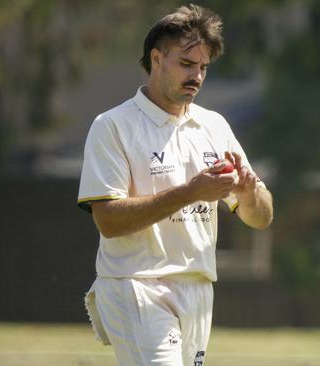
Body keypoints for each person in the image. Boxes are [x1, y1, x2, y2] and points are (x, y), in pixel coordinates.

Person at [77, 4, 273, 365]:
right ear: (157, 58)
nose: (196, 76)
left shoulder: (214, 127)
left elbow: (260, 219)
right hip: (136, 285)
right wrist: (190, 192)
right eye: (186, 64)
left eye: (203, 68)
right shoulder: (113, 126)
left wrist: (249, 194)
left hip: (197, 289)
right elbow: (108, 220)